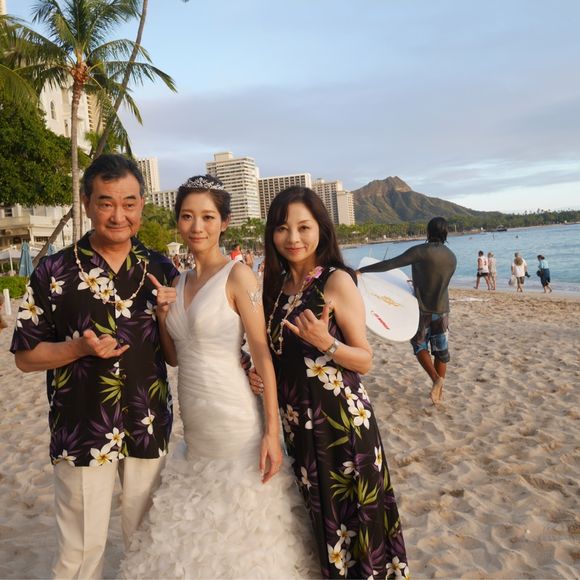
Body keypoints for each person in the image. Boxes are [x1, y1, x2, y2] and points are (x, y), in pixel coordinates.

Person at [119, 175, 315, 578]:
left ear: (224, 222)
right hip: (195, 427)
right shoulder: (177, 281)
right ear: (178, 221)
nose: (197, 227)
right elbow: (175, 357)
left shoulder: (238, 276)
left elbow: (262, 354)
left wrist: (271, 432)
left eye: (208, 217)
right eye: (187, 216)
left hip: (235, 420)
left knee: (243, 528)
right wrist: (162, 316)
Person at [10, 154, 180, 579]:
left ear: (142, 205)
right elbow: (25, 357)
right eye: (106, 202)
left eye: (129, 203)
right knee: (79, 552)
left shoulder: (162, 269)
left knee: (147, 543)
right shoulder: (53, 271)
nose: (118, 215)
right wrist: (76, 349)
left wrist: (164, 317)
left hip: (147, 420)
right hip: (81, 425)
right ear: (87, 203)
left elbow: (175, 356)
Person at [261, 186, 408, 579]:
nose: (293, 238)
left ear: (321, 230)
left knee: (356, 530)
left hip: (342, 427)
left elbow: (365, 359)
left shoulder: (336, 281)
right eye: (282, 228)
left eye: (303, 227)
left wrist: (326, 342)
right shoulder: (275, 288)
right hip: (300, 430)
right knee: (325, 531)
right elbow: (276, 353)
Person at [358, 216, 457, 406]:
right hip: (443, 309)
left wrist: (362, 270)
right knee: (441, 352)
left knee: (420, 346)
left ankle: (435, 379)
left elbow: (391, 264)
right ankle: (439, 393)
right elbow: (439, 280)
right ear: (446, 233)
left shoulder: (420, 251)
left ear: (428, 232)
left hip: (422, 309)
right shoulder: (451, 256)